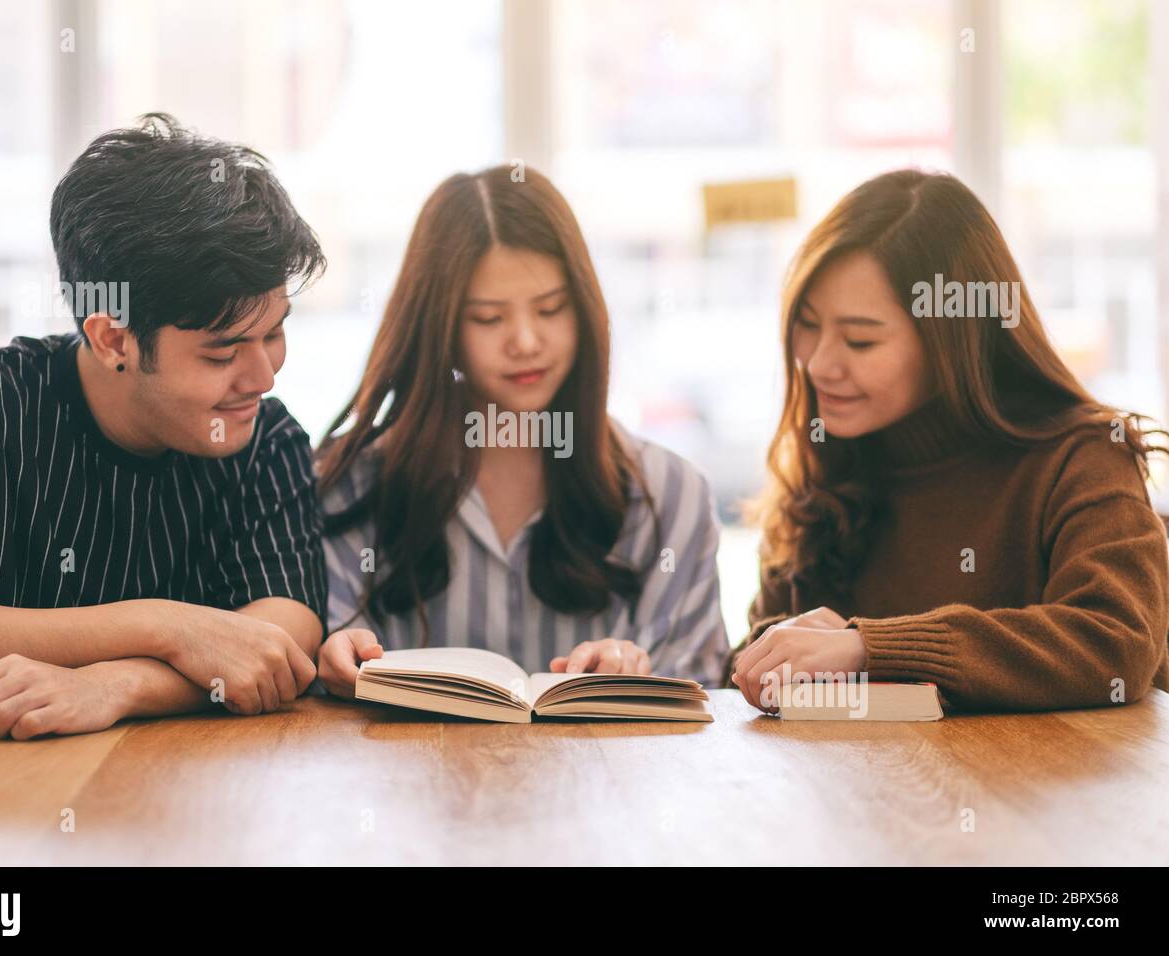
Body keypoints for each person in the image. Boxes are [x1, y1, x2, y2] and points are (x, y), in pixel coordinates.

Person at [0, 114, 328, 738]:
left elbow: (280, 641)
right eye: (223, 353)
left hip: (192, 801)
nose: (263, 375)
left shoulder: (266, 439)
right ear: (114, 338)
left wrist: (115, 684)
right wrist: (165, 626)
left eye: (275, 333)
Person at [732, 169, 1169, 713]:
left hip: (1042, 795)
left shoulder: (1081, 455)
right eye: (807, 323)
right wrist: (775, 647)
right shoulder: (831, 456)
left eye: (861, 340)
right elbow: (753, 672)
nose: (819, 364)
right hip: (866, 793)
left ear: (953, 343)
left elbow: (1116, 644)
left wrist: (868, 647)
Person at [316, 165, 729, 698]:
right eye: (489, 319)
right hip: (412, 780)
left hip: (607, 780)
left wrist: (637, 681)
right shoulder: (351, 487)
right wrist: (335, 666)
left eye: (552, 309)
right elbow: (321, 689)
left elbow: (700, 700)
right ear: (440, 328)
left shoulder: (670, 495)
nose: (527, 341)